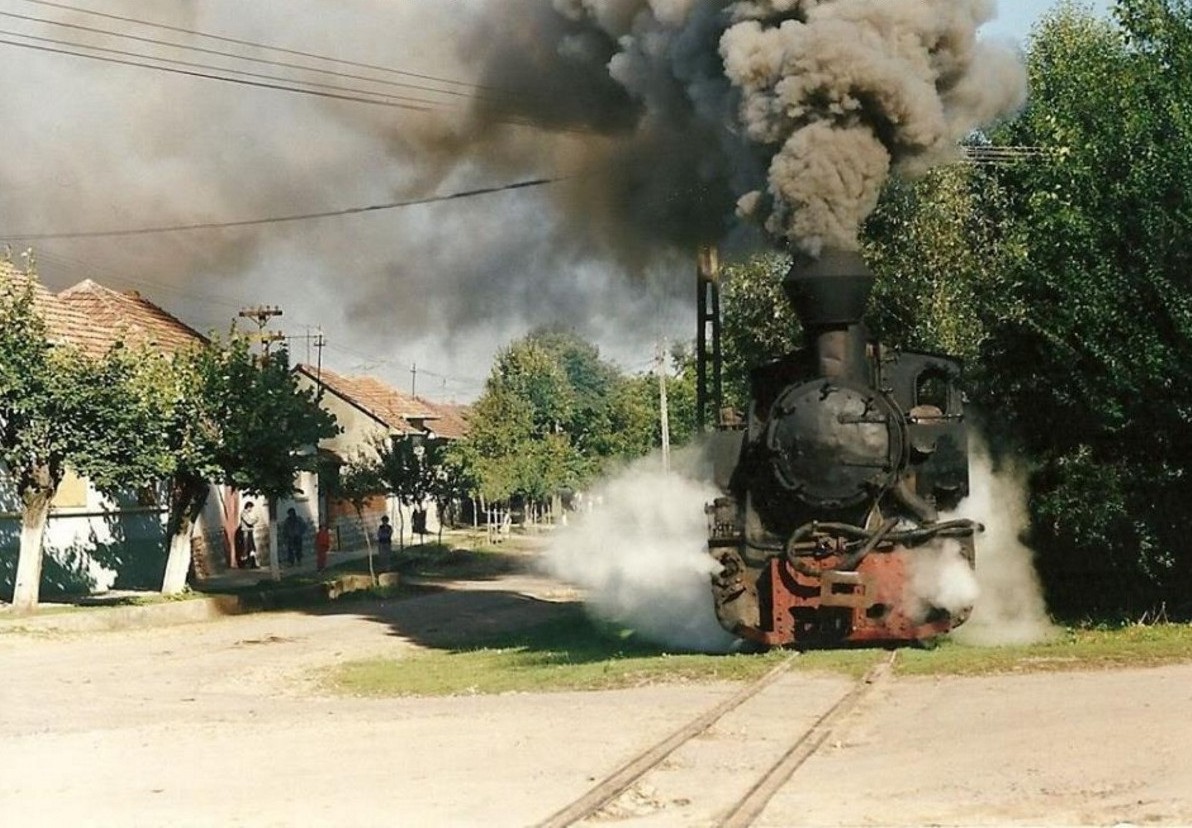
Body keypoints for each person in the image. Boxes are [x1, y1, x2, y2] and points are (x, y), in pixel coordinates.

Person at [237, 501, 260, 569]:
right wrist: (256, 520)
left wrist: (254, 520)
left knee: (252, 548)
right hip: (245, 532)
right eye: (251, 508)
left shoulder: (247, 513)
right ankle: (243, 564)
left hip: (249, 532)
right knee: (245, 548)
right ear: (248, 507)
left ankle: (253, 563)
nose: (251, 509)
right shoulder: (243, 513)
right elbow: (249, 521)